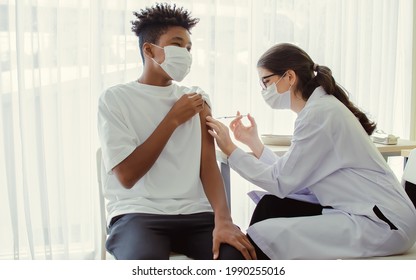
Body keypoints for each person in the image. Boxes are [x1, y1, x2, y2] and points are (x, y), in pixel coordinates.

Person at [206, 43, 416, 259]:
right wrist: (254, 144)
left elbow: (281, 181)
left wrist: (230, 149)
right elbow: (293, 174)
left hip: (383, 223)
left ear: (289, 77)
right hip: (366, 211)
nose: (264, 91)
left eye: (266, 82)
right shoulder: (319, 109)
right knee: (271, 205)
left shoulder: (319, 115)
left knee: (265, 236)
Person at [97, 3, 255, 260]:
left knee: (242, 259)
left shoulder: (197, 98)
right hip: (138, 215)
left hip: (197, 215)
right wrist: (171, 120)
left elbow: (208, 166)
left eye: (189, 48)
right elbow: (127, 176)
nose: (186, 53)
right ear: (149, 50)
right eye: (177, 44)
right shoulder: (115, 99)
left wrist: (223, 219)